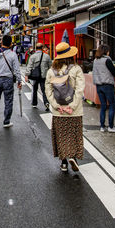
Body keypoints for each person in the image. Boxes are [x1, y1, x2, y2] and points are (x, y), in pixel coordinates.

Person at [45, 42, 85, 173]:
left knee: (61, 136)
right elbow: (80, 90)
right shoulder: (76, 69)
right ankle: (73, 157)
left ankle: (63, 162)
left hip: (59, 111)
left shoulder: (52, 71)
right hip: (74, 111)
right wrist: (72, 106)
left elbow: (48, 90)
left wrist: (56, 106)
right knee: (74, 135)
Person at [93, 45, 115, 132]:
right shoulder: (107, 60)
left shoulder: (95, 60)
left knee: (103, 106)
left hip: (98, 85)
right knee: (112, 105)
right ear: (106, 51)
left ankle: (102, 126)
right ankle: (111, 127)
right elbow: (114, 71)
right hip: (107, 85)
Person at [27, 43, 52, 111]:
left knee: (34, 89)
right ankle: (46, 102)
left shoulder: (33, 56)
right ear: (42, 48)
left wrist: (27, 75)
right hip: (44, 76)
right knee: (44, 90)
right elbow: (50, 66)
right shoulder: (47, 56)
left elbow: (29, 66)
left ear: (36, 48)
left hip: (35, 76)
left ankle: (34, 103)